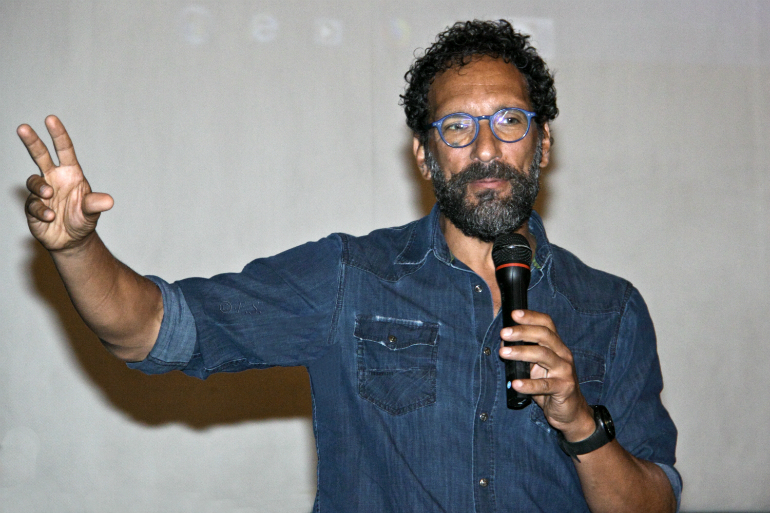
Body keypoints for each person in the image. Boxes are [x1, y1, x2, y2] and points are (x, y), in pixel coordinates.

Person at [19, 19, 680, 513]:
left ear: (543, 143)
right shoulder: (349, 278)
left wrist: (580, 423)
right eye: (456, 126)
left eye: (510, 120)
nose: (485, 148)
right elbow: (152, 329)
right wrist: (77, 249)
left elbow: (653, 502)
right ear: (424, 156)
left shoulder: (612, 308)